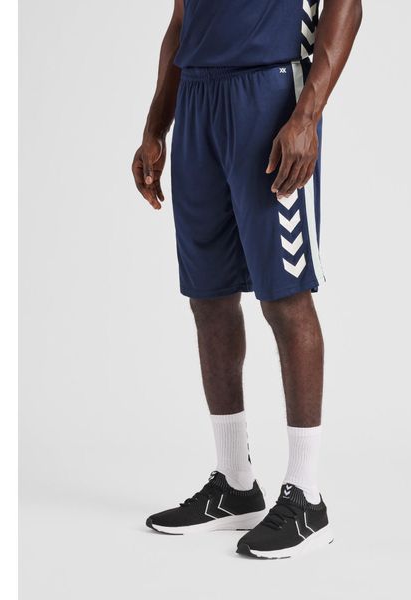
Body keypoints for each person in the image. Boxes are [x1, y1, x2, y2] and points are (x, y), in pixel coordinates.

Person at [132, 0, 362, 559]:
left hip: (270, 95)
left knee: (284, 295)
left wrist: (306, 115)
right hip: (198, 100)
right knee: (208, 296)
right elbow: (181, 21)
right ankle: (235, 486)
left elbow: (348, 6)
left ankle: (306, 498)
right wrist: (156, 126)